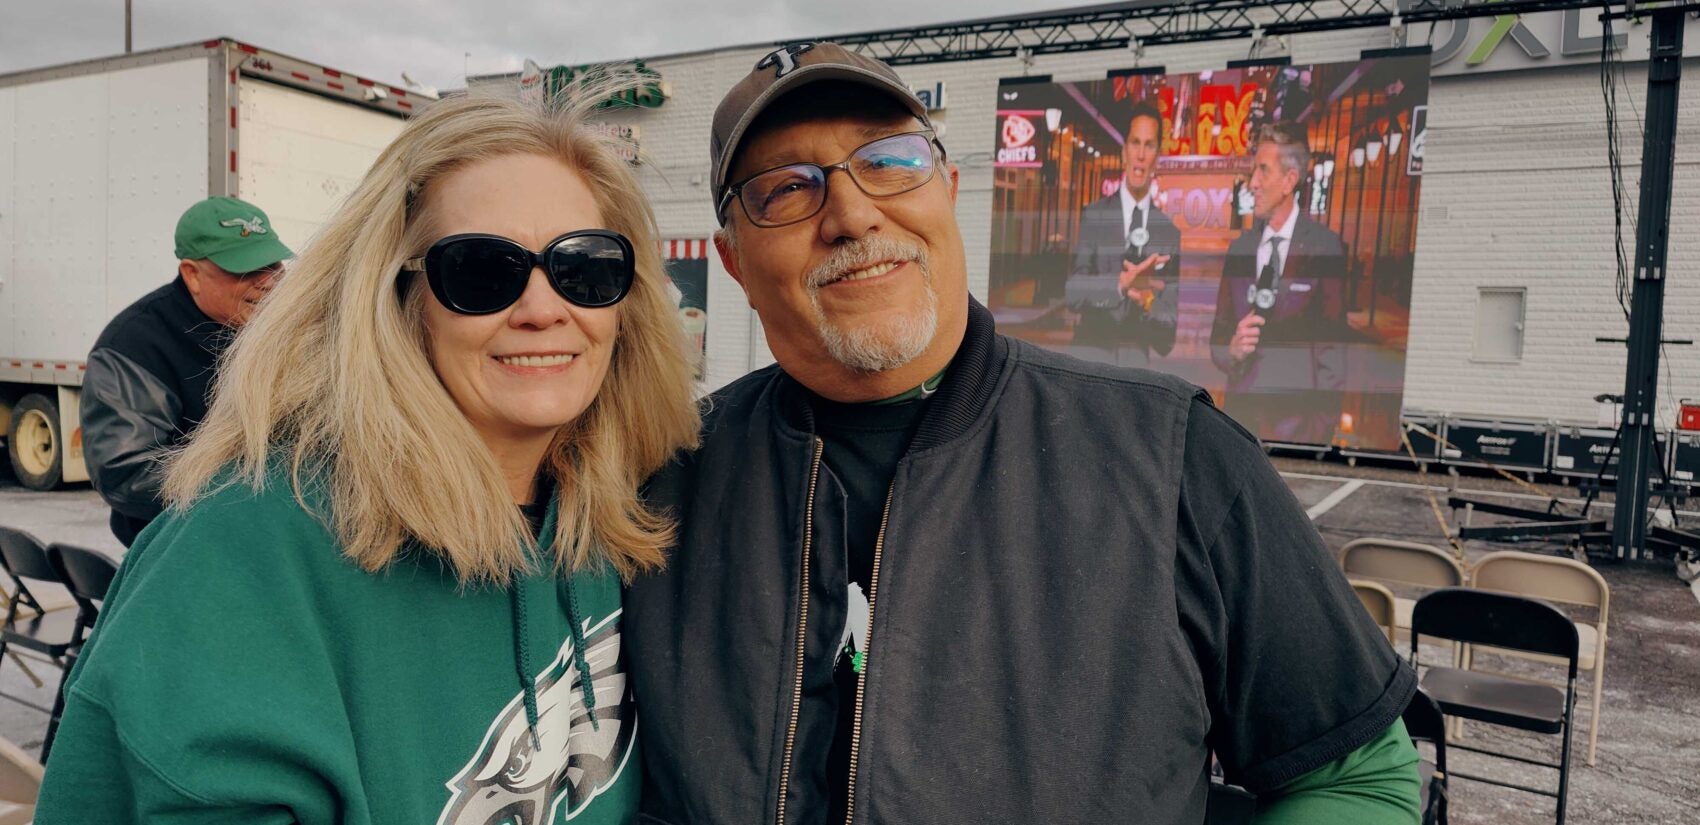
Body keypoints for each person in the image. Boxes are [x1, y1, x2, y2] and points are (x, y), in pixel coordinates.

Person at [626, 42, 1420, 825]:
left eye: (891, 160)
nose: (852, 214)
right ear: (731, 262)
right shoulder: (657, 483)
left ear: (950, 189)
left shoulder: (1176, 457)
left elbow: (1361, 779)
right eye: (784, 188)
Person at [36, 87, 699, 824]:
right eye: (481, 270)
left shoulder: (627, 523)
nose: (545, 307)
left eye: (585, 267)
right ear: (395, 299)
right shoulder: (244, 558)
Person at [81, 196, 291, 546]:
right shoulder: (135, 345)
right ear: (192, 275)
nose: (269, 282)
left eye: (274, 264)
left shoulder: (282, 326)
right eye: (247, 269)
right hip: (178, 544)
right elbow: (126, 472)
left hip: (269, 535)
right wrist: (248, 487)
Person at [1209, 121, 1352, 445]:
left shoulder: (1323, 247)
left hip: (1298, 428)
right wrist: (1230, 351)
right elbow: (1218, 336)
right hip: (1239, 424)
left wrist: (1320, 431)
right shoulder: (1240, 249)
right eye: (1253, 171)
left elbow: (1332, 352)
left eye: (1263, 171)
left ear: (1289, 180)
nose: (1253, 183)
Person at [1065, 99, 1181, 368]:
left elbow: (1167, 340)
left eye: (1149, 145)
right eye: (1134, 143)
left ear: (1157, 156)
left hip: (1135, 376)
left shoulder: (1169, 234)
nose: (1140, 154)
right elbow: (1073, 293)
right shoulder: (1094, 216)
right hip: (1088, 362)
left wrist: (1148, 300)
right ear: (1124, 152)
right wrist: (1120, 285)